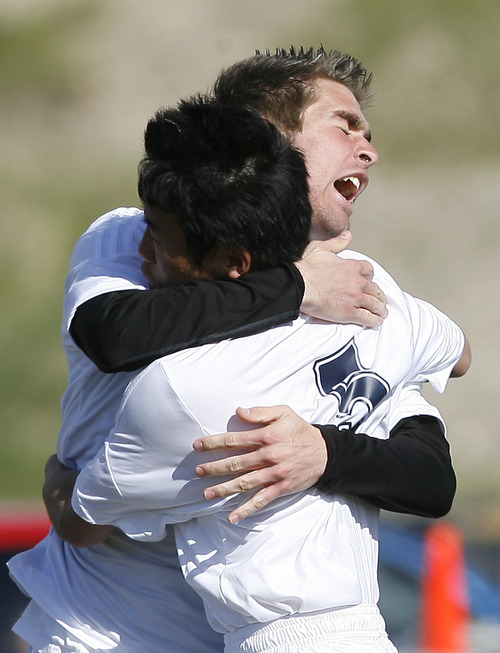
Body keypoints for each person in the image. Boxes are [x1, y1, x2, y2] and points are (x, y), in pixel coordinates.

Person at [8, 47, 467, 653]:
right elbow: (113, 333)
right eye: (344, 126)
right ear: (265, 140)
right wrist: (296, 286)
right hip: (106, 632)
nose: (368, 150)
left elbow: (431, 473)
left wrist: (324, 452)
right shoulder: (138, 231)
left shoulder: (361, 293)